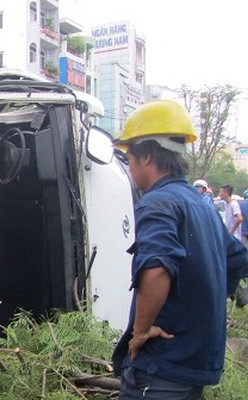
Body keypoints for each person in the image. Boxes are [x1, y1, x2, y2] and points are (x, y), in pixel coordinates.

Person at [110, 100, 248, 400]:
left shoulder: (158, 202)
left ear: (146, 156)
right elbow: (238, 259)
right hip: (193, 364)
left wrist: (142, 331)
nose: (130, 169)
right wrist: (198, 312)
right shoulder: (203, 206)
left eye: (130, 160)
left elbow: (157, 266)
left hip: (161, 368)